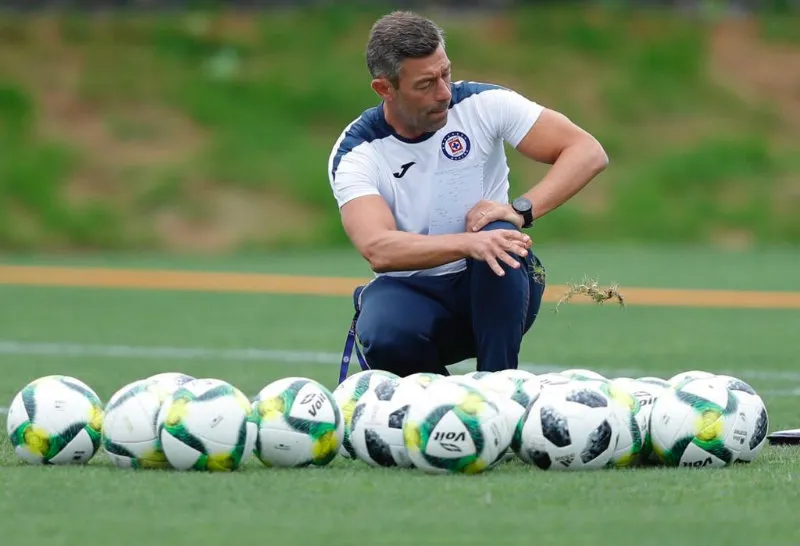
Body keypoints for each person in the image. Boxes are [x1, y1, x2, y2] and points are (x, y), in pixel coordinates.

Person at [329, 11, 608, 382]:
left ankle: (499, 393)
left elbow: (587, 151)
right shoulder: (358, 152)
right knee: (382, 329)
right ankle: (444, 414)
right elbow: (378, 248)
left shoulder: (483, 104)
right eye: (426, 84)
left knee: (497, 234)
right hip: (415, 296)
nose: (443, 92)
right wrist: (468, 244)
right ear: (385, 89)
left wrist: (520, 210)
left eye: (445, 73)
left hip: (500, 287)